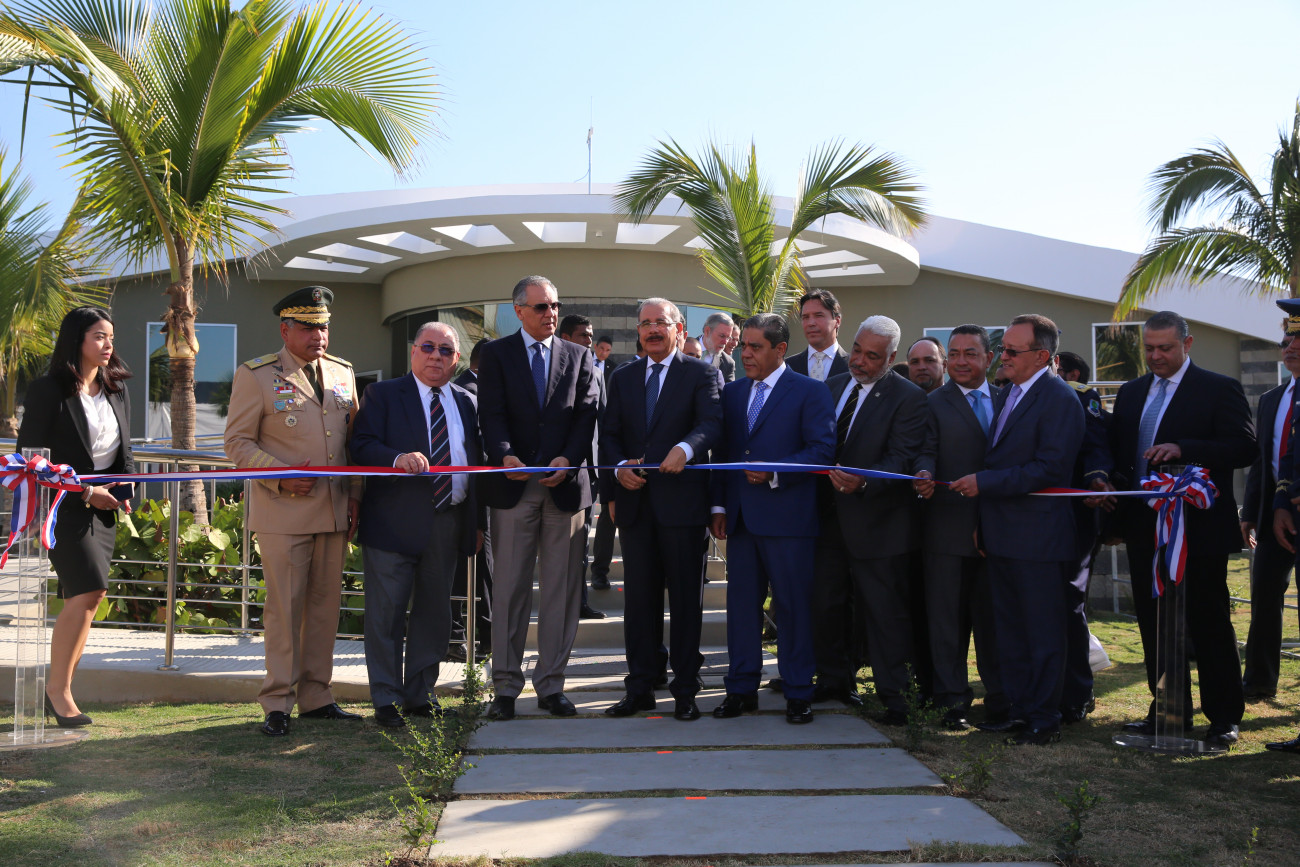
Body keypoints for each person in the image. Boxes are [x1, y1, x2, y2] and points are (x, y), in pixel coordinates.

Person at [224, 286, 363, 736]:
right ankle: (277, 701)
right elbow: (237, 443)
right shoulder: (257, 375)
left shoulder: (343, 373)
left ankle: (317, 696)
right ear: (285, 330)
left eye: (323, 327)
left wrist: (356, 495)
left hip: (333, 511)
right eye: (307, 327)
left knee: (324, 609)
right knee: (284, 610)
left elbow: (354, 443)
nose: (318, 335)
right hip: (283, 512)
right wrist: (280, 476)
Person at [1111, 310, 1253, 748]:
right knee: (1153, 623)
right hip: (1144, 527)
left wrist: (1184, 449)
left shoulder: (1218, 388)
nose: (1155, 356)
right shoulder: (1131, 392)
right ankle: (1169, 709)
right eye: (1149, 348)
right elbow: (1122, 456)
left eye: (1165, 348)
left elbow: (1244, 447)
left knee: (1208, 622)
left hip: (1199, 530)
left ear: (1187, 344)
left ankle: (1223, 716)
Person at [951, 313, 1083, 746]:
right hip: (1001, 534)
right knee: (1010, 630)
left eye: (1011, 350)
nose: (1002, 356)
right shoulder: (1009, 392)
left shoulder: (1059, 398)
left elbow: (1050, 468)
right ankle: (1019, 710)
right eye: (1002, 348)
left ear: (1042, 356)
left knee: (1042, 631)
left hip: (1039, 538)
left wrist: (985, 483)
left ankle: (1044, 718)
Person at [477, 276, 600, 721]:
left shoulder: (579, 355)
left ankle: (551, 685)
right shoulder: (496, 354)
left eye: (555, 306)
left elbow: (586, 415)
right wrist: (504, 455)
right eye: (542, 307)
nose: (551, 313)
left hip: (564, 487)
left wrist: (569, 458)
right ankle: (506, 687)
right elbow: (490, 414)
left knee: (561, 593)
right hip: (513, 487)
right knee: (509, 589)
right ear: (519, 311)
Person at [350, 323, 482, 726]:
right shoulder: (384, 394)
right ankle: (387, 700)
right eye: (428, 347)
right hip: (393, 524)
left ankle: (420, 696)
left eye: (446, 350)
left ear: (456, 360)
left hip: (447, 522)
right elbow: (360, 445)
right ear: (413, 351)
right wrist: (396, 459)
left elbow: (475, 464)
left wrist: (475, 523)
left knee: (434, 615)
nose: (436, 356)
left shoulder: (467, 401)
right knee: (385, 616)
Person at [710, 313, 836, 724]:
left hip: (789, 521)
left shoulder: (810, 391)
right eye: (743, 346)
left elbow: (822, 451)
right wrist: (719, 507)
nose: (745, 354)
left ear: (780, 349)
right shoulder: (732, 393)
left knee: (793, 607)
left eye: (755, 347)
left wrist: (775, 471)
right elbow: (723, 455)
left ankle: (798, 691)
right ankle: (740, 688)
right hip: (741, 522)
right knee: (741, 608)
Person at [601, 298, 722, 721]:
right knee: (639, 602)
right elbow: (609, 433)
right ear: (638, 331)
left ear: (679, 329)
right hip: (636, 506)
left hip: (683, 507)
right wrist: (619, 469)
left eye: (661, 322)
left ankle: (685, 690)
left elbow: (712, 424)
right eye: (645, 323)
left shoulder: (701, 373)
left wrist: (685, 449)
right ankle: (640, 686)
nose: (652, 329)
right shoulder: (623, 376)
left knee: (686, 601)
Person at [17, 306, 135, 728]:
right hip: (60, 506)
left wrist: (124, 490)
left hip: (104, 508)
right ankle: (59, 692)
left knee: (89, 597)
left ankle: (62, 687)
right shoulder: (48, 390)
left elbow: (125, 451)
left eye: (110, 336)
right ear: (77, 340)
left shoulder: (116, 389)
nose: (108, 344)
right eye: (99, 336)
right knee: (88, 591)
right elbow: (30, 458)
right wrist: (84, 491)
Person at [817, 316, 929, 721]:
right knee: (827, 605)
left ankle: (895, 698)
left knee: (884, 614)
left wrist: (863, 481)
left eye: (872, 356)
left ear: (891, 358)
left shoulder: (908, 397)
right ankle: (833, 681)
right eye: (858, 350)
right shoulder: (831, 387)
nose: (860, 361)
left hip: (879, 525)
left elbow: (902, 457)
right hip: (827, 521)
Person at [913, 324, 1008, 730]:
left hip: (1000, 531)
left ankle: (1001, 699)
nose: (961, 361)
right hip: (948, 529)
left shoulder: (1009, 400)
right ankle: (952, 701)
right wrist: (923, 472)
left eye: (970, 353)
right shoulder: (932, 403)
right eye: (954, 354)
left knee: (994, 622)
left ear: (989, 358)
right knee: (946, 622)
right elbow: (925, 451)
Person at [1240, 310, 1300, 701]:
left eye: (1297, 343)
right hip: (1271, 515)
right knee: (1264, 595)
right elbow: (1263, 461)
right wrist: (1250, 512)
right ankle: (1259, 681)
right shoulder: (1272, 398)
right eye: (1285, 343)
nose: (1290, 349)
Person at [1052, 350, 1112, 724]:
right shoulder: (1005, 392)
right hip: (1019, 519)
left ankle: (1076, 693)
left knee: (1067, 604)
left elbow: (1095, 445)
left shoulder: (1078, 394)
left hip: (1071, 517)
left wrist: (1096, 478)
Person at [559, 313, 607, 620]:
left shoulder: (598, 374)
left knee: (580, 544)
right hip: (551, 470)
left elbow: (604, 421)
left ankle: (579, 602)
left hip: (588, 473)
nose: (589, 341)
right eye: (583, 335)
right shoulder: (552, 369)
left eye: (591, 335)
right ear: (565, 338)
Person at [449, 337, 493, 662]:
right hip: (468, 501)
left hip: (476, 500)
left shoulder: (470, 390)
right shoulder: (470, 393)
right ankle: (471, 639)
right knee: (471, 574)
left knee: (478, 573)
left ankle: (473, 638)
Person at [786, 289, 849, 383]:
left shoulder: (853, 367)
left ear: (837, 321)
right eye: (805, 317)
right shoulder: (787, 367)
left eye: (818, 315)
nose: (811, 323)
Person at [699, 311, 737, 382]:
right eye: (722, 336)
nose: (725, 342)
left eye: (728, 338)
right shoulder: (684, 348)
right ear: (707, 331)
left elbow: (728, 389)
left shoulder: (728, 363)